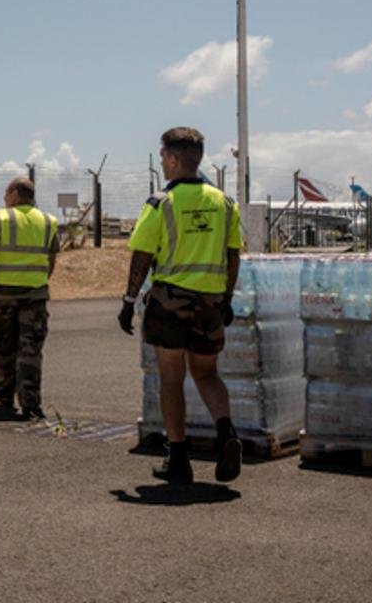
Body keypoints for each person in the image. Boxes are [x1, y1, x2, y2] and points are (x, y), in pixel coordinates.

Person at [118, 127, 243, 485]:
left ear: (173, 159)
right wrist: (227, 298)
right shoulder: (225, 203)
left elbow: (142, 255)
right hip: (210, 303)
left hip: (170, 301)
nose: (162, 163)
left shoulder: (161, 202)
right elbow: (233, 255)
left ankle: (178, 458)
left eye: (162, 157)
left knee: (171, 379)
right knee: (207, 373)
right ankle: (227, 432)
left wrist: (128, 300)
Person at [0, 177, 58, 420]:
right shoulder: (49, 221)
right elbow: (51, 259)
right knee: (30, 350)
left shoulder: (2, 218)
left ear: (16, 194)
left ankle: (5, 396)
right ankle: (30, 402)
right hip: (35, 297)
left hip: (4, 295)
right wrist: (38, 281)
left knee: (4, 347)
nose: (5, 197)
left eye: (7, 192)